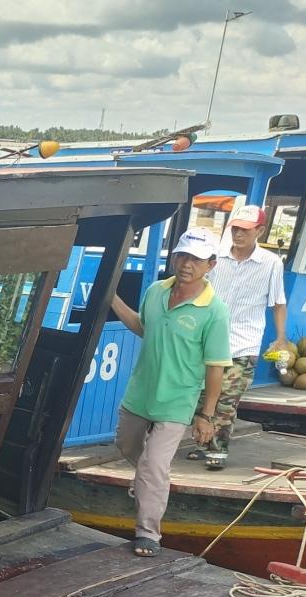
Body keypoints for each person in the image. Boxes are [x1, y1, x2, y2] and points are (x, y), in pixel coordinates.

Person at [111, 228, 232, 557]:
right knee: (127, 445)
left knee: (154, 466)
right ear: (174, 257)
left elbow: (215, 368)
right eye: (182, 256)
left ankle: (148, 533)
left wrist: (206, 415)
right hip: (141, 392)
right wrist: (112, 298)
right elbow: (144, 326)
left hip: (178, 400)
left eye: (196, 259)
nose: (187, 264)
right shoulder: (156, 291)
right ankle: (149, 483)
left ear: (211, 265)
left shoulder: (215, 310)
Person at [187, 205, 287, 469]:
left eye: (245, 230)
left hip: (244, 343)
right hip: (207, 338)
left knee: (227, 398)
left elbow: (278, 302)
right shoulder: (215, 257)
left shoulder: (271, 263)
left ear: (260, 231)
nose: (238, 234)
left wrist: (280, 338)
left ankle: (218, 449)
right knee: (202, 395)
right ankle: (203, 443)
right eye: (235, 229)